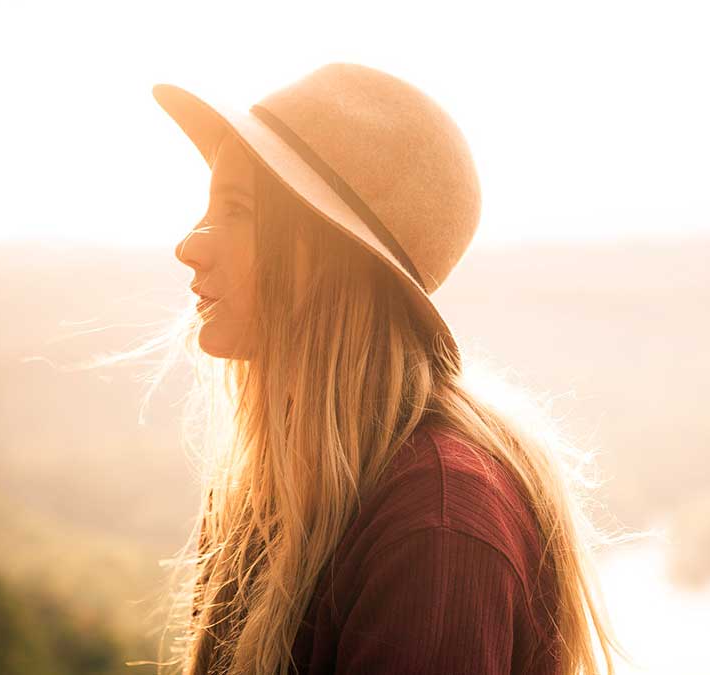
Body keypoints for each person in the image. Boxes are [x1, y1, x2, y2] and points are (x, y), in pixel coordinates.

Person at [142, 63, 632, 675]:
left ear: (334, 256)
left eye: (238, 209)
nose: (190, 245)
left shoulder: (437, 524)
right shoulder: (280, 483)